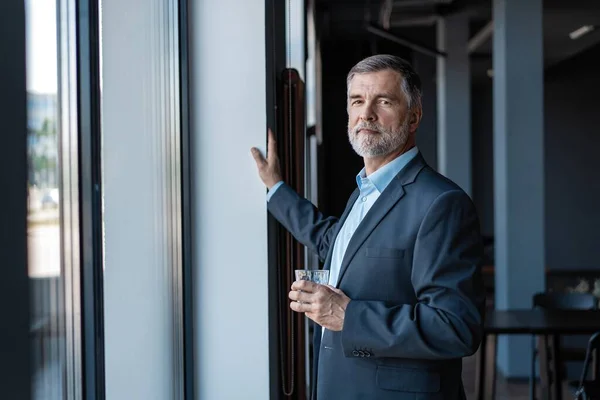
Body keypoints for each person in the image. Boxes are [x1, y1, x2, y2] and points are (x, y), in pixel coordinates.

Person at [251, 54, 485, 400]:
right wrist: (277, 189)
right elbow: (329, 239)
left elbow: (456, 327)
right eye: (357, 101)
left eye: (384, 101)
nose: (366, 114)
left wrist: (349, 315)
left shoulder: (442, 203)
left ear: (414, 116)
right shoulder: (364, 193)